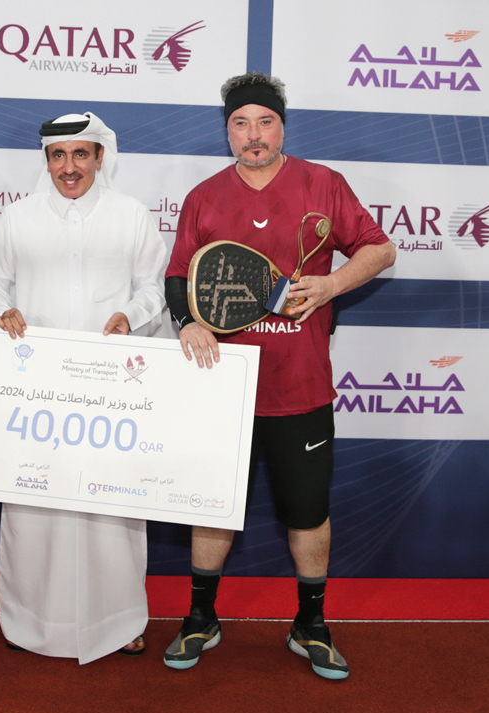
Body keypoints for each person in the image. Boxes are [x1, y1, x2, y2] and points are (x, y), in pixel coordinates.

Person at [162, 72, 396, 678]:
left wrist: (332, 283)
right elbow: (176, 276)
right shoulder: (204, 196)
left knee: (308, 512)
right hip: (223, 388)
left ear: (282, 125)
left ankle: (310, 625)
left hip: (302, 387)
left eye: (264, 121)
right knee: (212, 505)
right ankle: (200, 618)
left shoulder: (324, 183)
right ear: (228, 131)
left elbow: (379, 248)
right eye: (240, 123)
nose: (253, 134)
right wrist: (187, 320)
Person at [0, 112, 167, 664]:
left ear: (100, 158)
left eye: (81, 154)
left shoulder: (131, 217)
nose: (69, 167)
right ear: (47, 160)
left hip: (113, 390)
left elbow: (153, 287)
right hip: (37, 391)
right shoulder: (18, 217)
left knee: (113, 509)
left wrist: (130, 315)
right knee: (35, 507)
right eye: (58, 156)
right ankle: (28, 621)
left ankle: (122, 620)